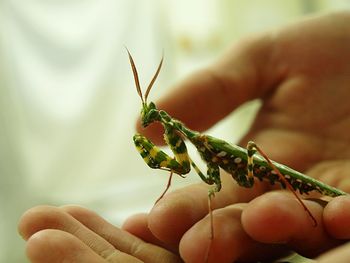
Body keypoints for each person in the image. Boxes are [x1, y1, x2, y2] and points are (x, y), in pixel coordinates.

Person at [18, 11, 350, 263]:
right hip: (269, 177)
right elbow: (184, 167)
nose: (149, 122)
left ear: (160, 118)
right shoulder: (192, 143)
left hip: (287, 176)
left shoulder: (201, 143)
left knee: (251, 151)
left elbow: (185, 168)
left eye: (152, 116)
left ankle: (299, 198)